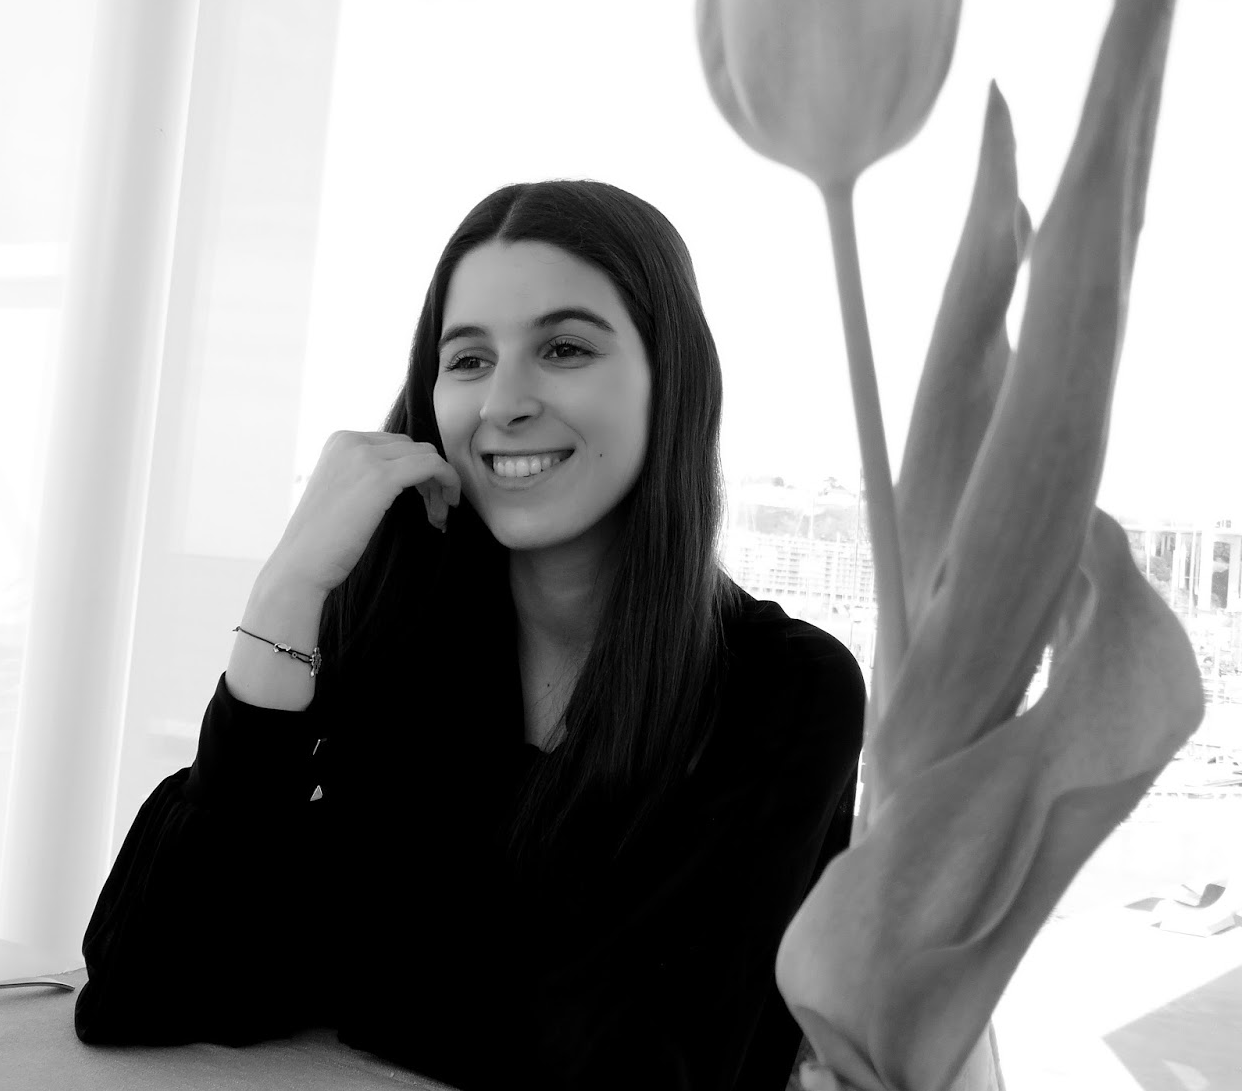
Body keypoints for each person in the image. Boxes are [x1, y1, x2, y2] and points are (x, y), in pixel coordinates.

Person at [73, 179, 867, 1090]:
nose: (504, 402)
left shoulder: (786, 688)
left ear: (671, 380)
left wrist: (354, 964)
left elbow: (634, 1064)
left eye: (564, 348)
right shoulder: (398, 626)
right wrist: (285, 589)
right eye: (469, 359)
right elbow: (143, 983)